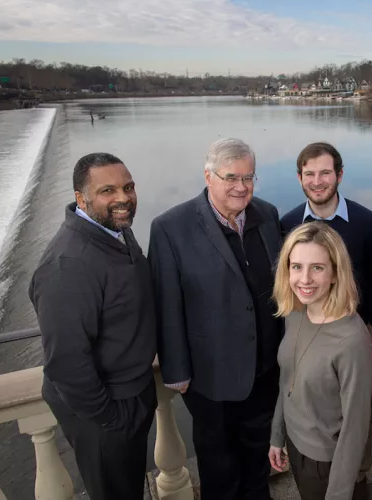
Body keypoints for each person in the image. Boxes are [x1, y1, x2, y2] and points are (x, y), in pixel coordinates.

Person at [148, 138, 284, 500]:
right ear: (208, 177)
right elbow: (166, 303)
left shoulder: (268, 215)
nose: (241, 187)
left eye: (249, 177)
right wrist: (177, 372)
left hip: (265, 372)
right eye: (231, 178)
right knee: (219, 470)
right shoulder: (170, 227)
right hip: (211, 379)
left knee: (258, 465)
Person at [29, 152, 157, 500]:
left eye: (128, 187)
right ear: (80, 198)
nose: (123, 198)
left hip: (133, 393)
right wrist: (111, 419)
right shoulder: (68, 265)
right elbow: (66, 362)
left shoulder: (115, 231)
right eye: (108, 190)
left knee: (130, 488)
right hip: (105, 413)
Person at [269, 222, 372, 500]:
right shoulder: (295, 314)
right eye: (296, 267)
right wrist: (277, 435)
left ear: (335, 274)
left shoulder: (352, 341)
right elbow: (287, 379)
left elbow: (356, 427)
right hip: (296, 446)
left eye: (317, 267)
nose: (304, 279)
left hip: (329, 464)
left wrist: (339, 493)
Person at [280, 142, 372, 332]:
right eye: (309, 174)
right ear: (299, 178)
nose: (317, 181)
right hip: (304, 326)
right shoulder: (288, 224)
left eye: (325, 173)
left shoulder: (366, 221)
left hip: (353, 325)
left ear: (340, 175)